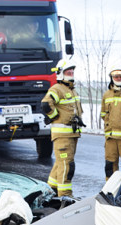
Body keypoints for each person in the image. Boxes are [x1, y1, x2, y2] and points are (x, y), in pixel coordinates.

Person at [41, 59, 83, 197]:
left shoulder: (71, 90)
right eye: (67, 72)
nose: (70, 74)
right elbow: (46, 104)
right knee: (67, 165)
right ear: (60, 74)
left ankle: (50, 190)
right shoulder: (57, 89)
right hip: (63, 135)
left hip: (71, 134)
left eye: (72, 72)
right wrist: (54, 115)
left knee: (60, 164)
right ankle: (65, 196)